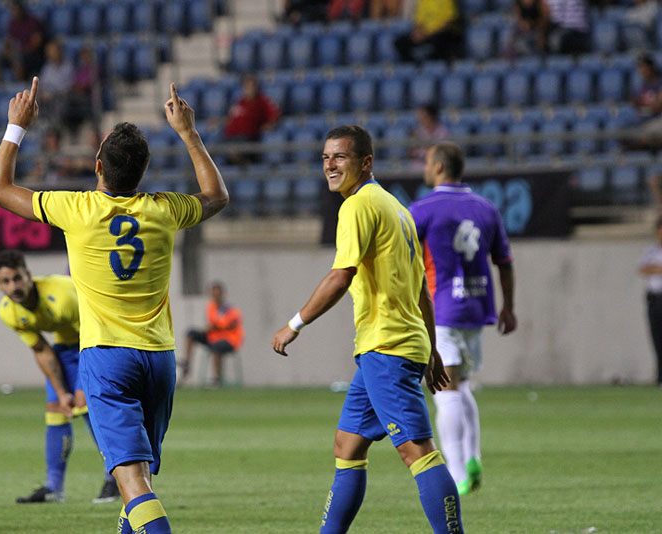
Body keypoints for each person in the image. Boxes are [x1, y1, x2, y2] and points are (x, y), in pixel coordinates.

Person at [0, 78, 229, 533]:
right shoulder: (164, 209)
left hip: (107, 358)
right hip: (158, 359)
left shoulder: (75, 209)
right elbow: (216, 196)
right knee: (137, 481)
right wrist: (190, 134)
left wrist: (16, 127)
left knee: (133, 482)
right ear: (144, 170)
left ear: (98, 165)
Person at [271, 125, 462, 534]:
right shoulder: (396, 207)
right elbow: (422, 291)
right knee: (347, 445)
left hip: (387, 349)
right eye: (325, 157)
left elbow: (341, 276)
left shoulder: (358, 206)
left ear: (365, 162)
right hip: (391, 347)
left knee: (418, 453)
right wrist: (430, 348)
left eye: (339, 157)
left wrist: (295, 324)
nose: (330, 165)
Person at [409, 142, 516, 495]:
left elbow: (404, 259)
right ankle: (473, 456)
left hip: (442, 308)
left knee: (444, 389)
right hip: (477, 307)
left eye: (427, 161)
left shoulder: (422, 210)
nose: (425, 167)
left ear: (439, 166)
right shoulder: (486, 208)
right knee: (462, 383)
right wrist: (508, 307)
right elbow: (504, 261)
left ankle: (456, 473)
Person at [0, 249, 119, 504]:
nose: (13, 286)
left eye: (17, 278)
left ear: (28, 275)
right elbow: (41, 349)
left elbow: (97, 329)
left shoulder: (60, 297)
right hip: (67, 344)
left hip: (98, 338)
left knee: (85, 405)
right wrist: (62, 392)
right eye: (6, 281)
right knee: (56, 410)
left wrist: (81, 388)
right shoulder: (9, 311)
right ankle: (53, 488)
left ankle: (114, 478)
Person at [179, 282, 244, 386]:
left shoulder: (232, 309)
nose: (215, 296)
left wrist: (216, 325)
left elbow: (230, 324)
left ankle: (216, 379)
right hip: (213, 337)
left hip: (229, 340)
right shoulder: (211, 307)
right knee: (191, 333)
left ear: (222, 294)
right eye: (213, 293)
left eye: (217, 293)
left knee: (216, 347)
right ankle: (187, 364)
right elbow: (212, 324)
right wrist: (210, 328)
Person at [223, 74, 280, 165]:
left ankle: (243, 163)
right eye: (247, 86)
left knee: (234, 149)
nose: (249, 89)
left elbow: (275, 112)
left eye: (251, 86)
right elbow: (230, 118)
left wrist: (271, 124)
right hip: (230, 137)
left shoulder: (262, 101)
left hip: (247, 138)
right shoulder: (239, 101)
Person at [394, 0, 464, 63]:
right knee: (400, 42)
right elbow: (418, 22)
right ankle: (412, 67)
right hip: (426, 35)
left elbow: (449, 21)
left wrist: (429, 33)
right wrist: (418, 33)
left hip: (440, 34)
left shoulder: (447, 1)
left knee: (440, 40)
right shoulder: (424, 1)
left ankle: (438, 65)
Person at [638, 215, 662, 388]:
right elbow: (643, 269)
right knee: (656, 337)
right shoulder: (650, 251)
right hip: (654, 298)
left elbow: (650, 268)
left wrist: (655, 268)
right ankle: (660, 376)